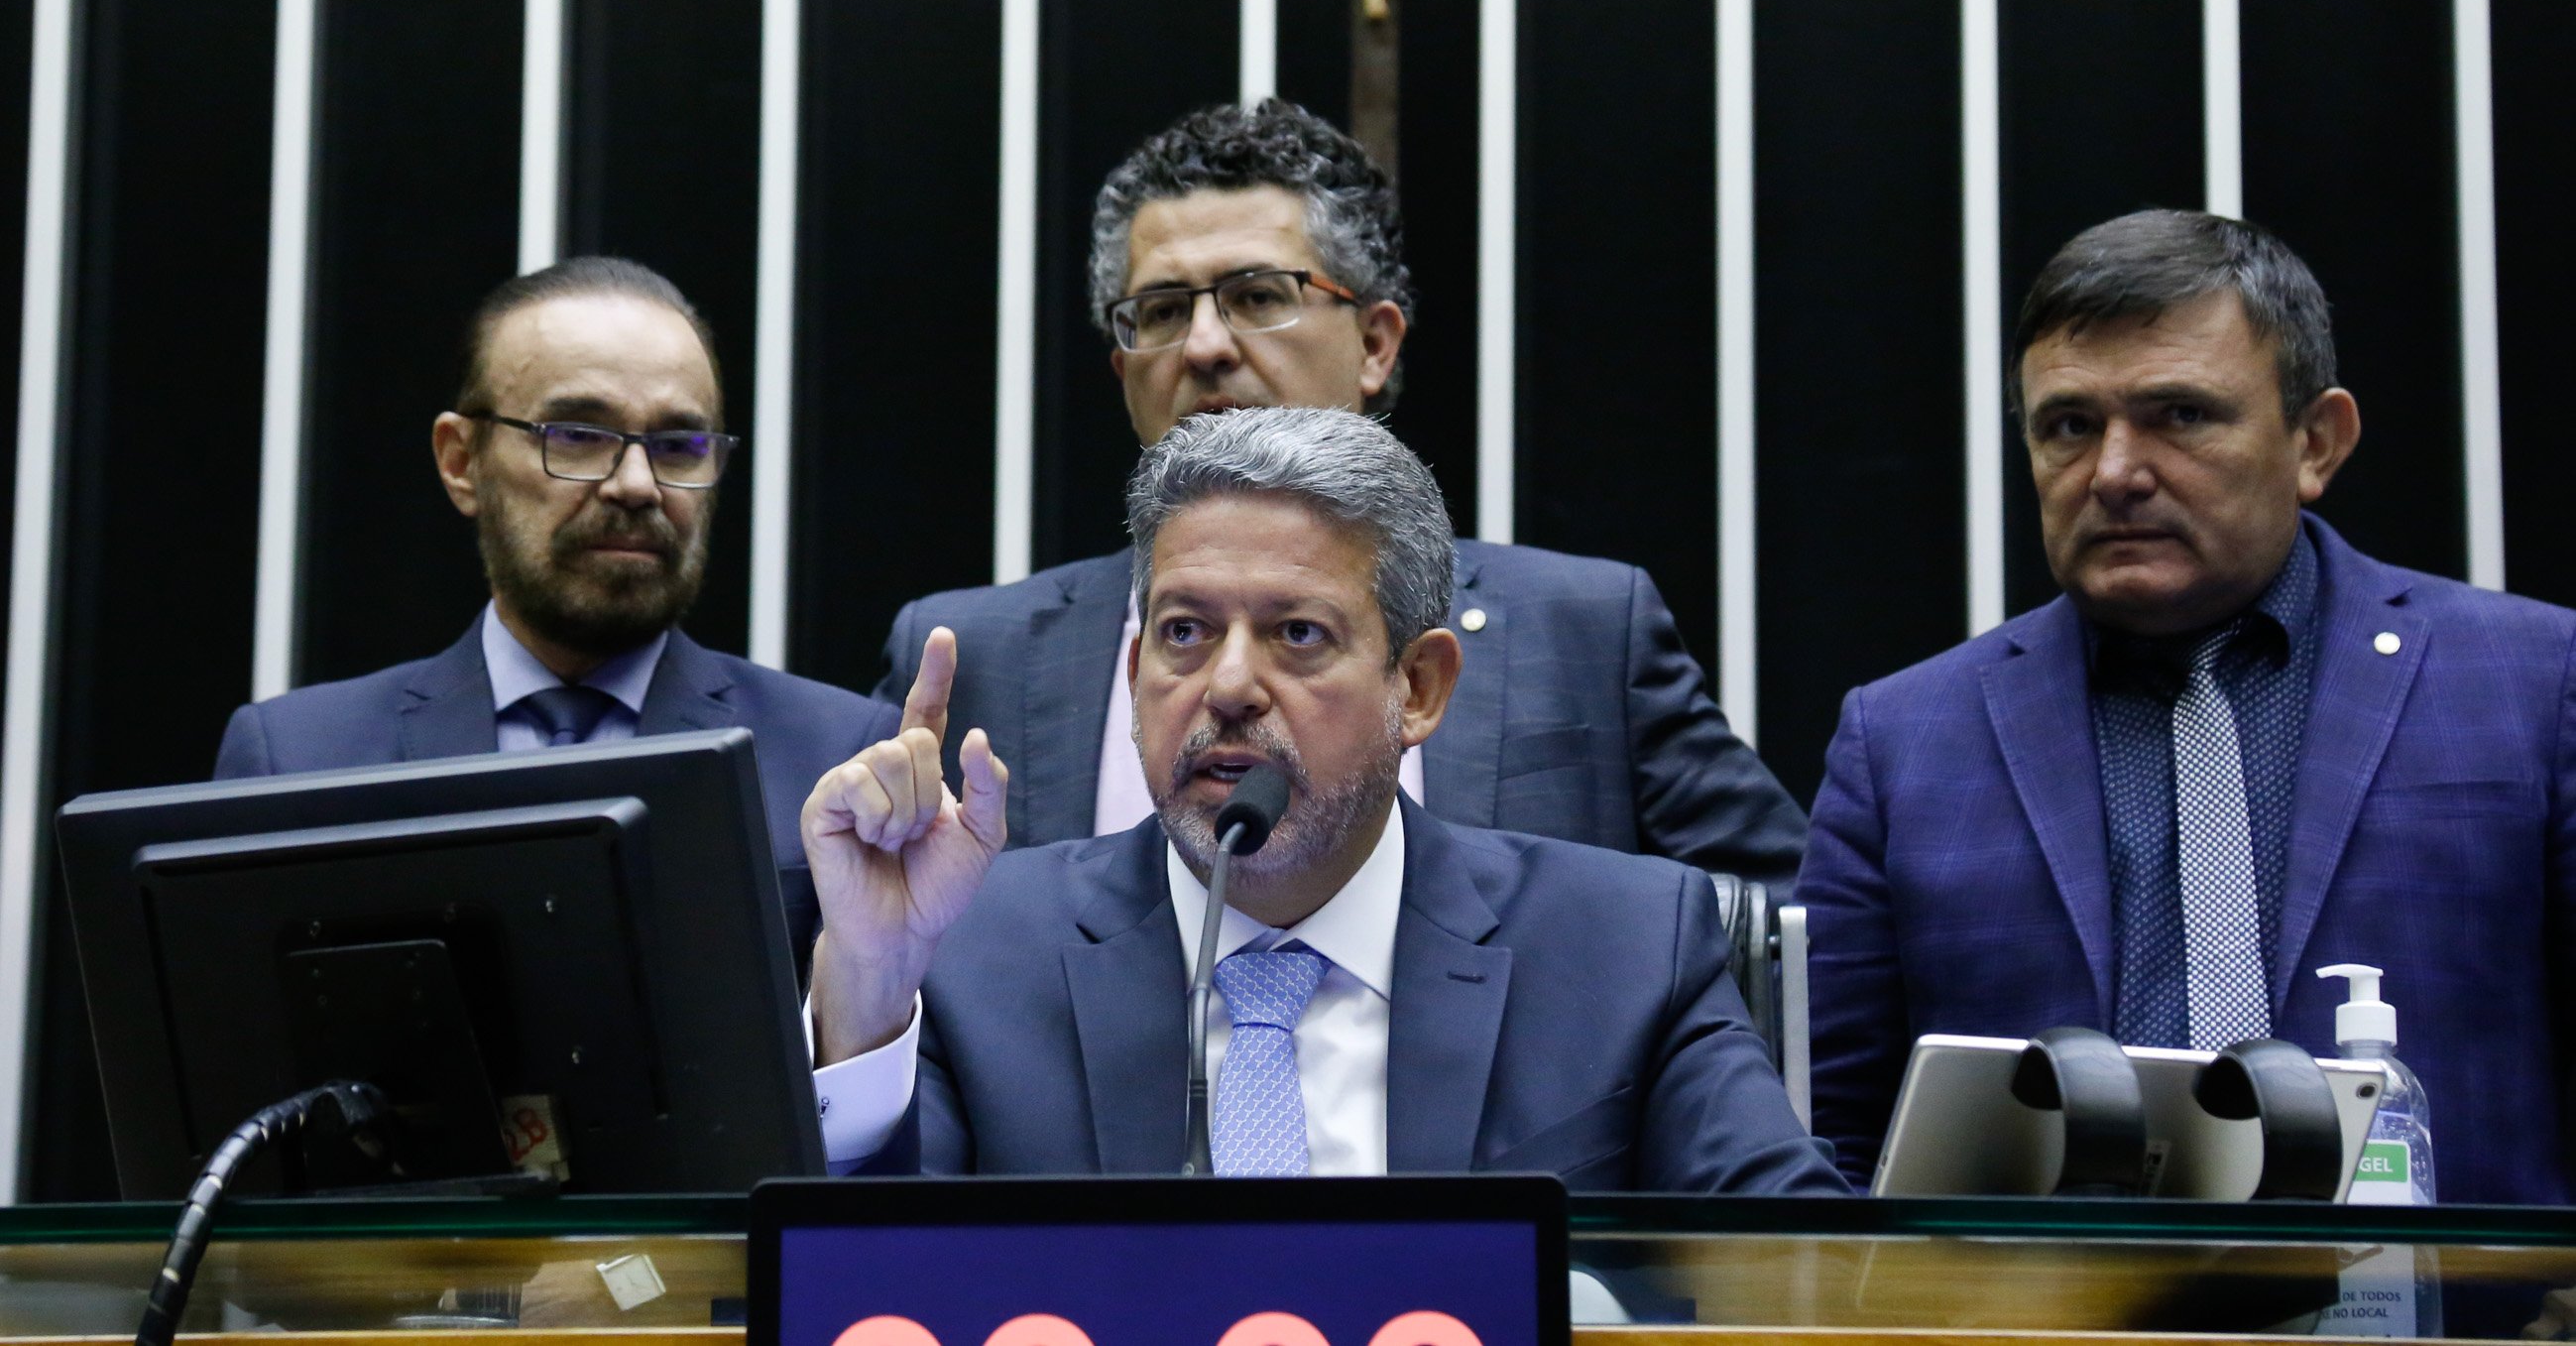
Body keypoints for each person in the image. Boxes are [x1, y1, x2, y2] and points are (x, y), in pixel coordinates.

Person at [805, 406, 1844, 1189]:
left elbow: (1805, 1268)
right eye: (1184, 631)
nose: (1227, 685)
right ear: (1134, 682)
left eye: (1298, 633)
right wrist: (869, 983)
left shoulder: (1624, 947)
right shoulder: (976, 946)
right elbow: (857, 1289)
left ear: (1420, 688)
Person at [1798, 210, 2576, 1204]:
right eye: (2071, 425)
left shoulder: (2529, 682)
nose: (2116, 473)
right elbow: (1819, 1133)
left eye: (2181, 415)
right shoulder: (1904, 742)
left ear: (2316, 442)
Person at [877, 99, 1808, 891]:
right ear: (1123, 367)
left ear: (1375, 344)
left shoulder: (1584, 631)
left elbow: (1790, 931)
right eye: (1161, 311)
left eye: (1255, 295)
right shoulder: (970, 659)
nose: (1203, 346)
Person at [212, 257, 897, 947]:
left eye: (679, 445)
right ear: (460, 461)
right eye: (577, 435)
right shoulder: (297, 763)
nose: (636, 484)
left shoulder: (836, 757)